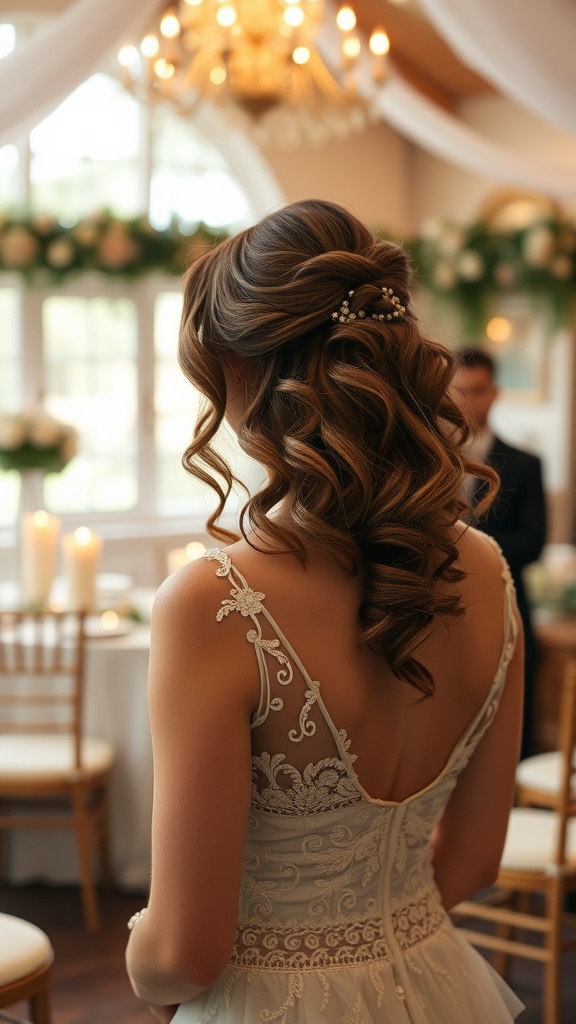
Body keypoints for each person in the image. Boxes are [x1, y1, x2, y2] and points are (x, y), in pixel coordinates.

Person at [125, 199, 525, 1023]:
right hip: (435, 984)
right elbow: (478, 858)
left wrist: (139, 943)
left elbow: (182, 959)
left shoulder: (213, 603)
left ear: (244, 370)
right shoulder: (486, 570)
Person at [450, 348, 547, 758]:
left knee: (511, 732)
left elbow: (533, 542)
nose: (470, 401)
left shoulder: (525, 464)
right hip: (450, 611)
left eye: (479, 390)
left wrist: (464, 546)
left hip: (509, 605)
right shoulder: (431, 461)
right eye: (461, 391)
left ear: (495, 393)